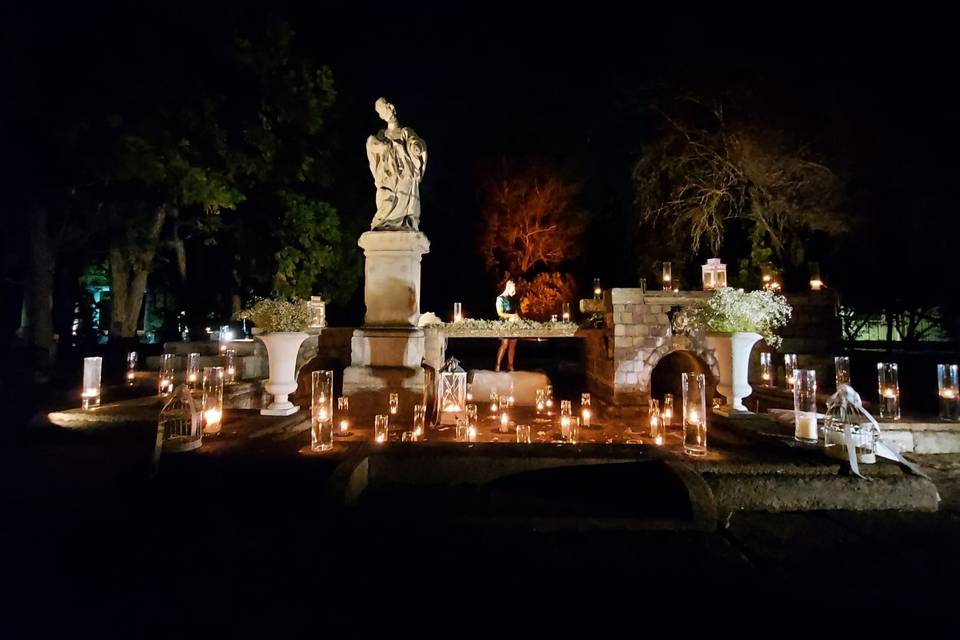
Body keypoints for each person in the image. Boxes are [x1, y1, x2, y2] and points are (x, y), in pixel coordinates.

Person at [495, 280, 519, 372]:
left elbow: (516, 311)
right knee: (504, 344)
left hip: (513, 325)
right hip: (504, 324)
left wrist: (517, 318)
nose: (514, 291)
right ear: (508, 288)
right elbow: (500, 313)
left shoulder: (513, 299)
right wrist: (511, 316)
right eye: (512, 289)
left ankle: (510, 365)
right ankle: (498, 364)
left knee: (512, 345)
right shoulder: (500, 298)